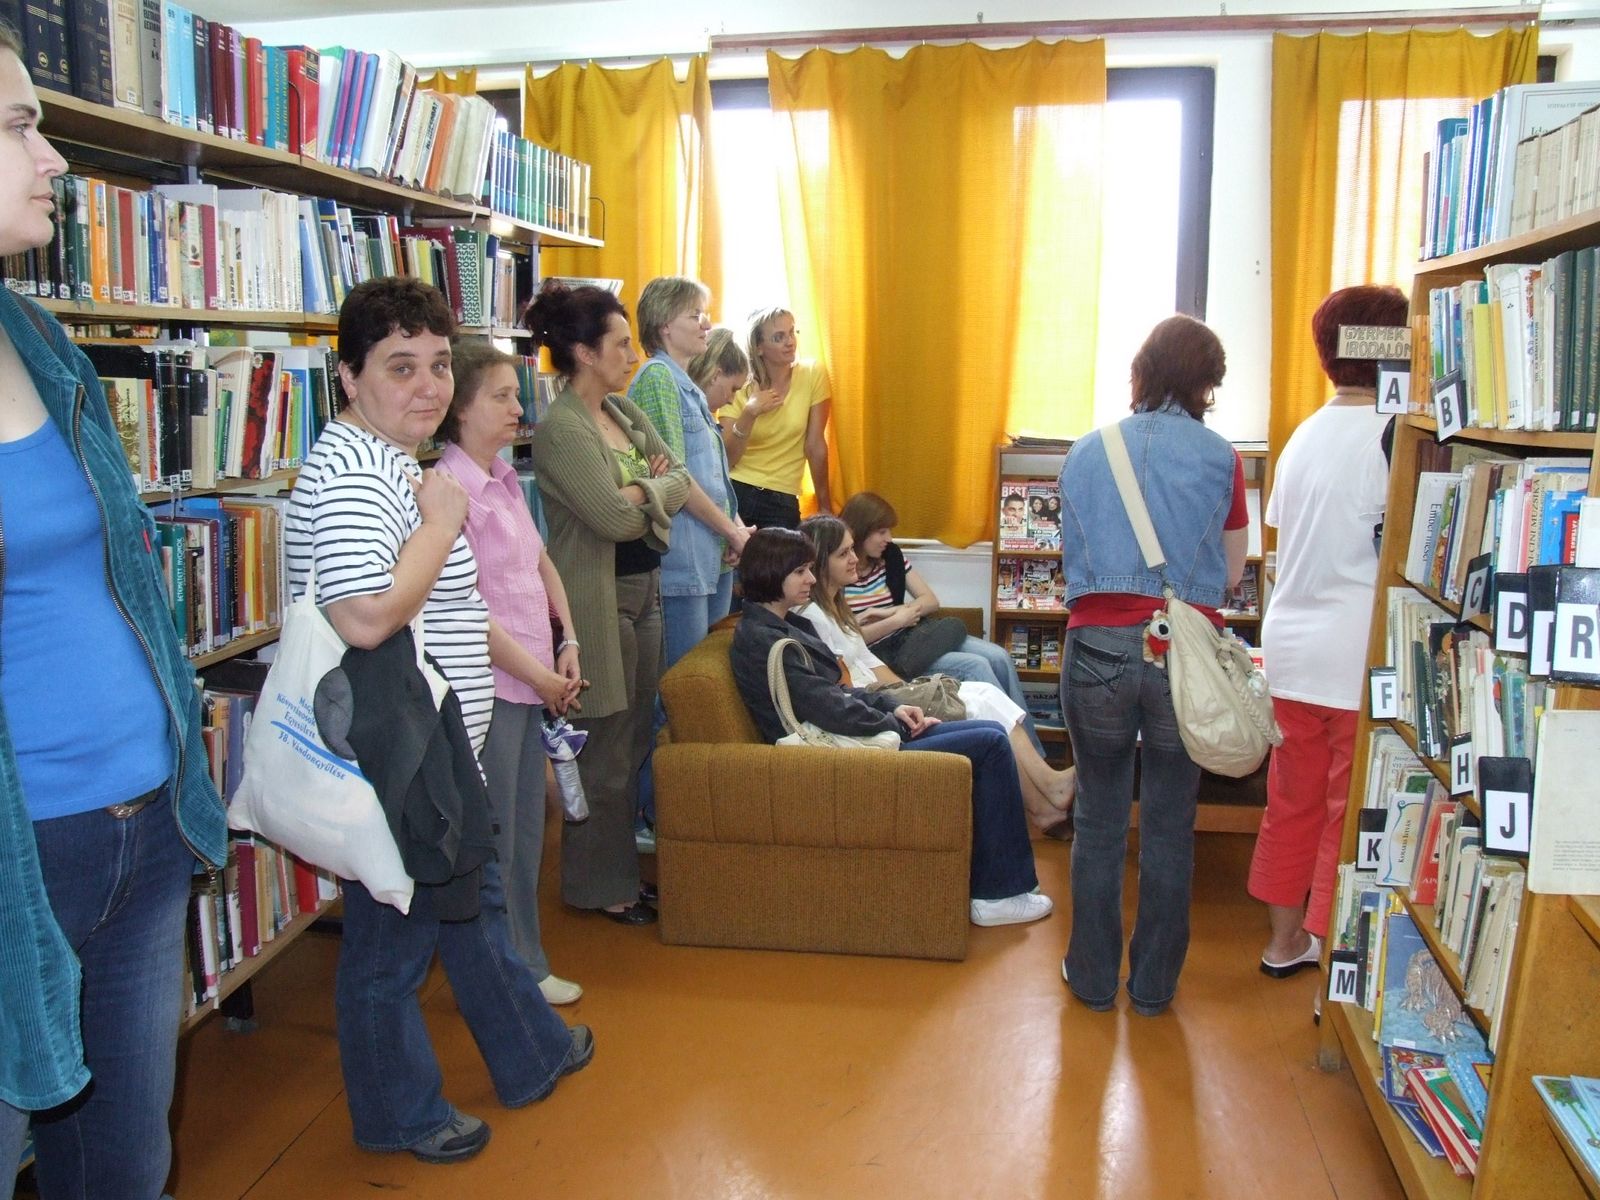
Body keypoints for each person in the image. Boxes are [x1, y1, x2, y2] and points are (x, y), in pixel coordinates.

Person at [284, 277, 591, 1164]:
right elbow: (365, 617)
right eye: (398, 367)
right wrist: (440, 525)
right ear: (349, 376)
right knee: (393, 939)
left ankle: (531, 1049)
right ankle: (400, 1114)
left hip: (435, 730)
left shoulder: (395, 460)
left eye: (435, 366)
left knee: (471, 894)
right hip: (394, 743)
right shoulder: (353, 474)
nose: (426, 387)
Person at [0, 28, 229, 1196]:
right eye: (18, 127)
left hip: (141, 827)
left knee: (125, 1167)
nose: (53, 160)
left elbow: (120, 571)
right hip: (20, 857)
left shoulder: (38, 340)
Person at [1056, 314, 1248, 1017]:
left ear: (1141, 371)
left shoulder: (1084, 451)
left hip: (1096, 647)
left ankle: (1092, 977)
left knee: (1099, 820)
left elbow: (1072, 557)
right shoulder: (1222, 458)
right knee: (1169, 826)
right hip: (1184, 658)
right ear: (1206, 384)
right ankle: (1154, 987)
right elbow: (1232, 575)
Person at [728, 529, 1051, 927]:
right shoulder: (763, 639)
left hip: (854, 735)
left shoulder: (784, 626)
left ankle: (1000, 887)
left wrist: (895, 708)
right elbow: (829, 708)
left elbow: (837, 692)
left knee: (992, 733)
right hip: (836, 753)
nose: (811, 579)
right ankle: (999, 893)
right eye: (800, 571)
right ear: (771, 572)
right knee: (990, 743)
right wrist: (892, 722)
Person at [1248, 286, 1405, 980]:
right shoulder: (1395, 434)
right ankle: (1333, 952)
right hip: (1352, 651)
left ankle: (1284, 943)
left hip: (1291, 647)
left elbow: (1284, 537)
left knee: (1291, 801)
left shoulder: (1303, 436)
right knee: (1346, 809)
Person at [528, 282, 690, 925]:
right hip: (597, 601)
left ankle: (618, 870)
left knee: (634, 736)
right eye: (620, 344)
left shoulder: (623, 412)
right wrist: (651, 491)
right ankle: (598, 885)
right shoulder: (562, 429)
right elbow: (609, 518)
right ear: (584, 353)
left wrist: (640, 492)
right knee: (603, 747)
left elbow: (681, 478)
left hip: (644, 591)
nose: (632, 354)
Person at [433, 338, 586, 1006]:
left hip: (531, 681)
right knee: (499, 835)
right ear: (462, 407)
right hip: (490, 688)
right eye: (501, 396)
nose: (518, 408)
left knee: (526, 832)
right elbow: (471, 614)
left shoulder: (503, 478)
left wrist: (568, 639)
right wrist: (543, 678)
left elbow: (540, 562)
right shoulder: (448, 492)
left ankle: (522, 960)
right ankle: (513, 969)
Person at [796, 515, 1075, 837]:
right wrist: (899, 699)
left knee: (986, 691)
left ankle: (1047, 796)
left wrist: (909, 690)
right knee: (982, 699)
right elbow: (843, 684)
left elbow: (869, 661)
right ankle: (1048, 796)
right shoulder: (812, 616)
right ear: (821, 561)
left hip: (886, 693)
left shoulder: (836, 608)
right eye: (844, 553)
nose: (854, 558)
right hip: (872, 704)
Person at [839, 491, 1045, 755]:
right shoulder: (838, 572)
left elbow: (930, 600)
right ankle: (1011, 755)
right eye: (881, 532)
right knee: (977, 666)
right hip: (889, 655)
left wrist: (893, 612)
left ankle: (1033, 753)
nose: (888, 538)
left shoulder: (891, 556)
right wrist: (894, 621)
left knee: (999, 656)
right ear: (860, 530)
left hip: (915, 634)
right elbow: (847, 639)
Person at [628, 280, 752, 666]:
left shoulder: (690, 389)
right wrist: (732, 531)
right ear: (665, 324)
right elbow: (675, 479)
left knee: (709, 678)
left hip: (711, 553)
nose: (706, 324)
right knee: (683, 682)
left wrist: (736, 531)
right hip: (682, 558)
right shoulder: (657, 378)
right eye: (695, 315)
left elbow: (713, 479)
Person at [716, 306, 832, 527]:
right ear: (758, 347)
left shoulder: (811, 374)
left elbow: (815, 446)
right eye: (779, 337)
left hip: (782, 498)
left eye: (792, 332)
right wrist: (749, 413)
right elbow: (726, 459)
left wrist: (825, 504)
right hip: (735, 491)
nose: (790, 342)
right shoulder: (740, 385)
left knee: (787, 550)